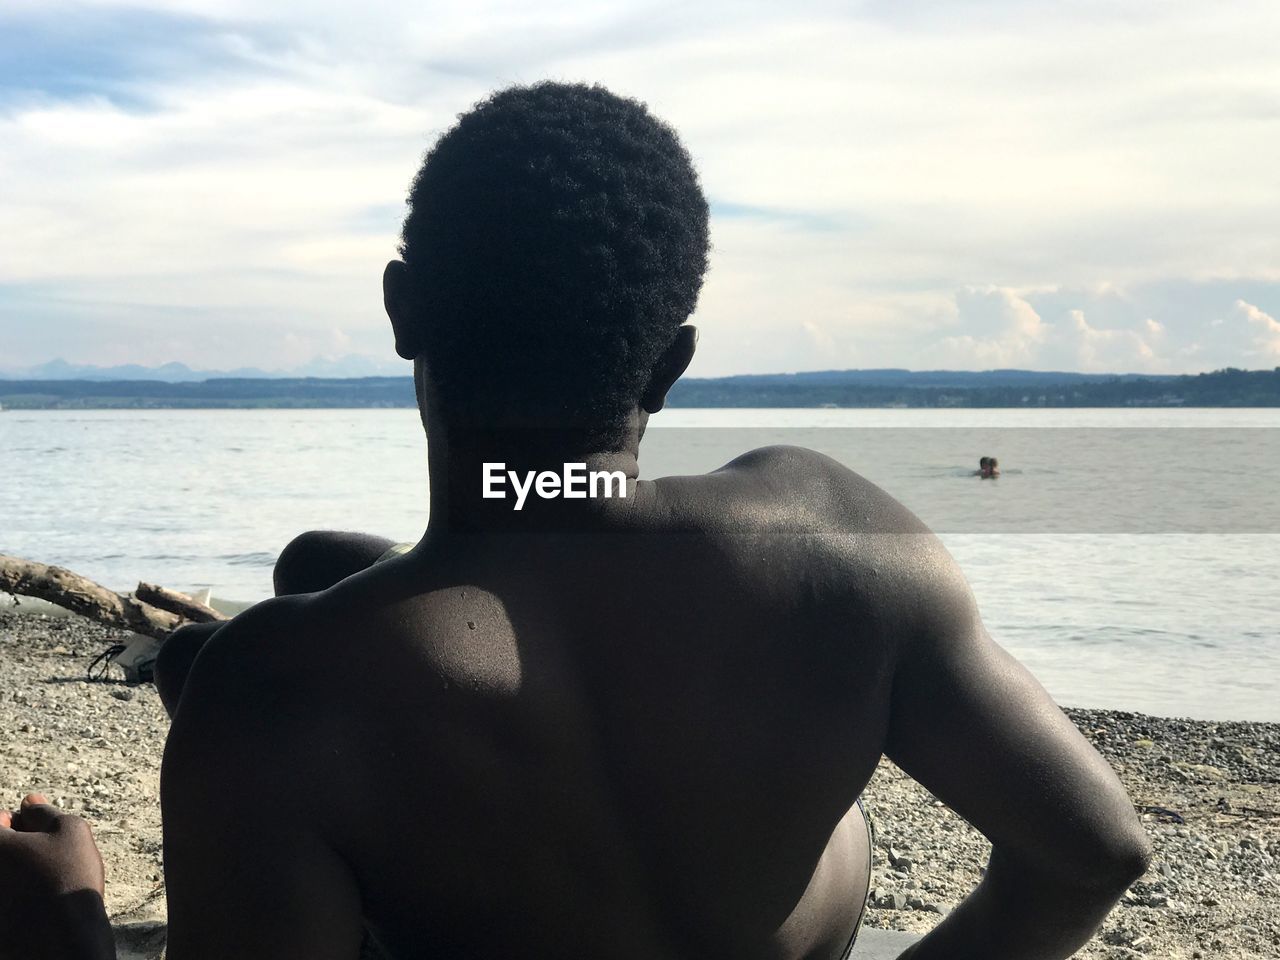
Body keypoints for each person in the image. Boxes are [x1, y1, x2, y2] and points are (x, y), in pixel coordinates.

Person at [1, 82, 1149, 960]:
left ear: (402, 312)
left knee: (275, 652)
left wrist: (66, 916)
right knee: (322, 570)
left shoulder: (274, 695)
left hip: (391, 740)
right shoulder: (836, 536)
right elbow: (1092, 850)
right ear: (672, 364)